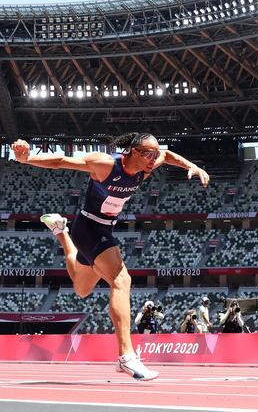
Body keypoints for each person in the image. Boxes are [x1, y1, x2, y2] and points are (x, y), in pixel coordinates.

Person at [11, 134, 209, 381]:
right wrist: (26, 157)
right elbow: (60, 160)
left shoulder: (148, 165)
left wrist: (191, 165)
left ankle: (61, 232)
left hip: (103, 228)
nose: (153, 159)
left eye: (154, 154)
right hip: (90, 227)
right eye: (148, 153)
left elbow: (167, 156)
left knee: (82, 288)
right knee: (121, 280)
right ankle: (126, 356)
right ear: (132, 151)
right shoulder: (106, 164)